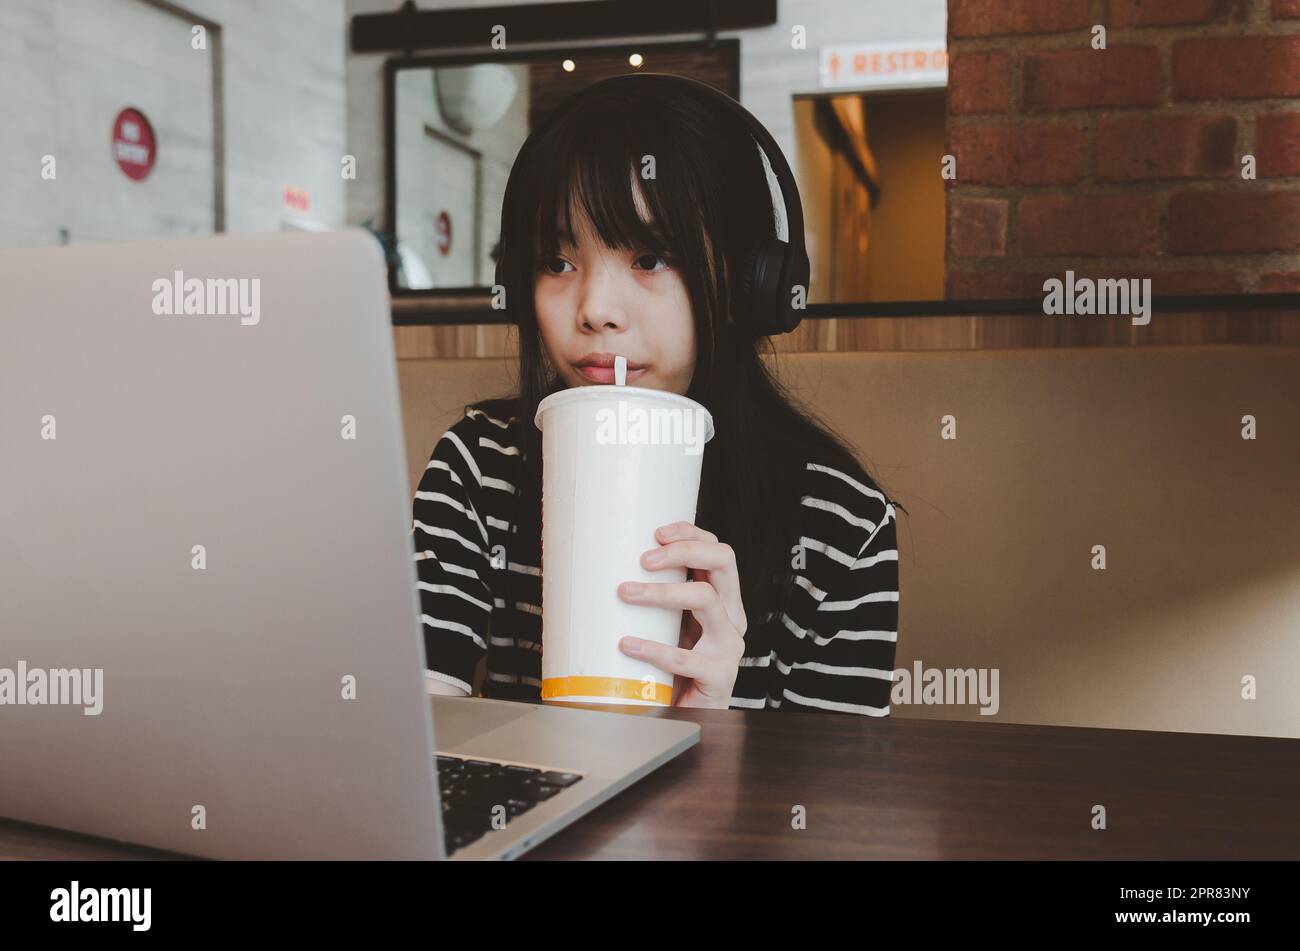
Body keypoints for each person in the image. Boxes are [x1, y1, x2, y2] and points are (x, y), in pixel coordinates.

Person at [413, 78, 903, 715]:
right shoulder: (479, 467)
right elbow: (414, 749)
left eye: (649, 258)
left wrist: (703, 723)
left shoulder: (842, 526)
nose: (594, 309)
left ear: (749, 282)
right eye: (556, 262)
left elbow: (826, 812)